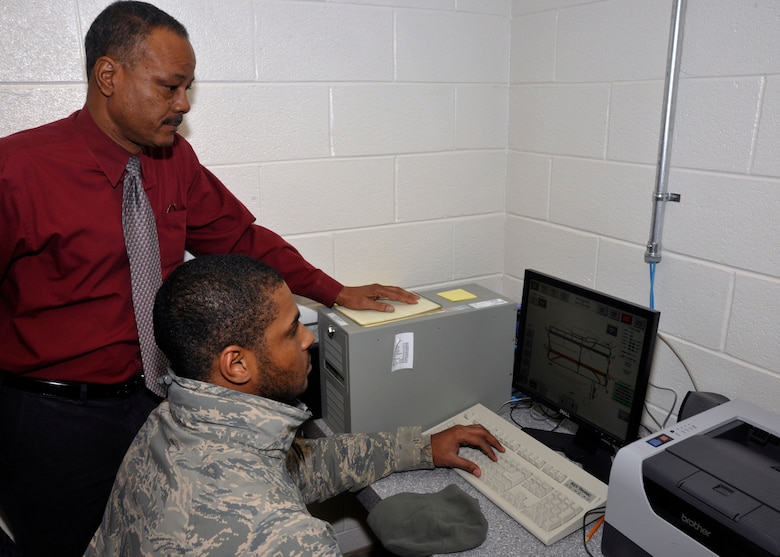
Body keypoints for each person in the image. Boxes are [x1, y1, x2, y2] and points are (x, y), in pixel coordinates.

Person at [0, 2, 418, 556]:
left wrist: (333, 290)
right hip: (56, 421)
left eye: (188, 87)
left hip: (159, 403)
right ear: (108, 76)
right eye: (170, 87)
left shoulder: (174, 160)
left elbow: (240, 238)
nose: (183, 104)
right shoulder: (17, 172)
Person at [85, 254, 504, 556]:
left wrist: (419, 448)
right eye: (290, 331)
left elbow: (298, 467)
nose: (309, 339)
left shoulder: (165, 425)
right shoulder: (284, 539)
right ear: (236, 363)